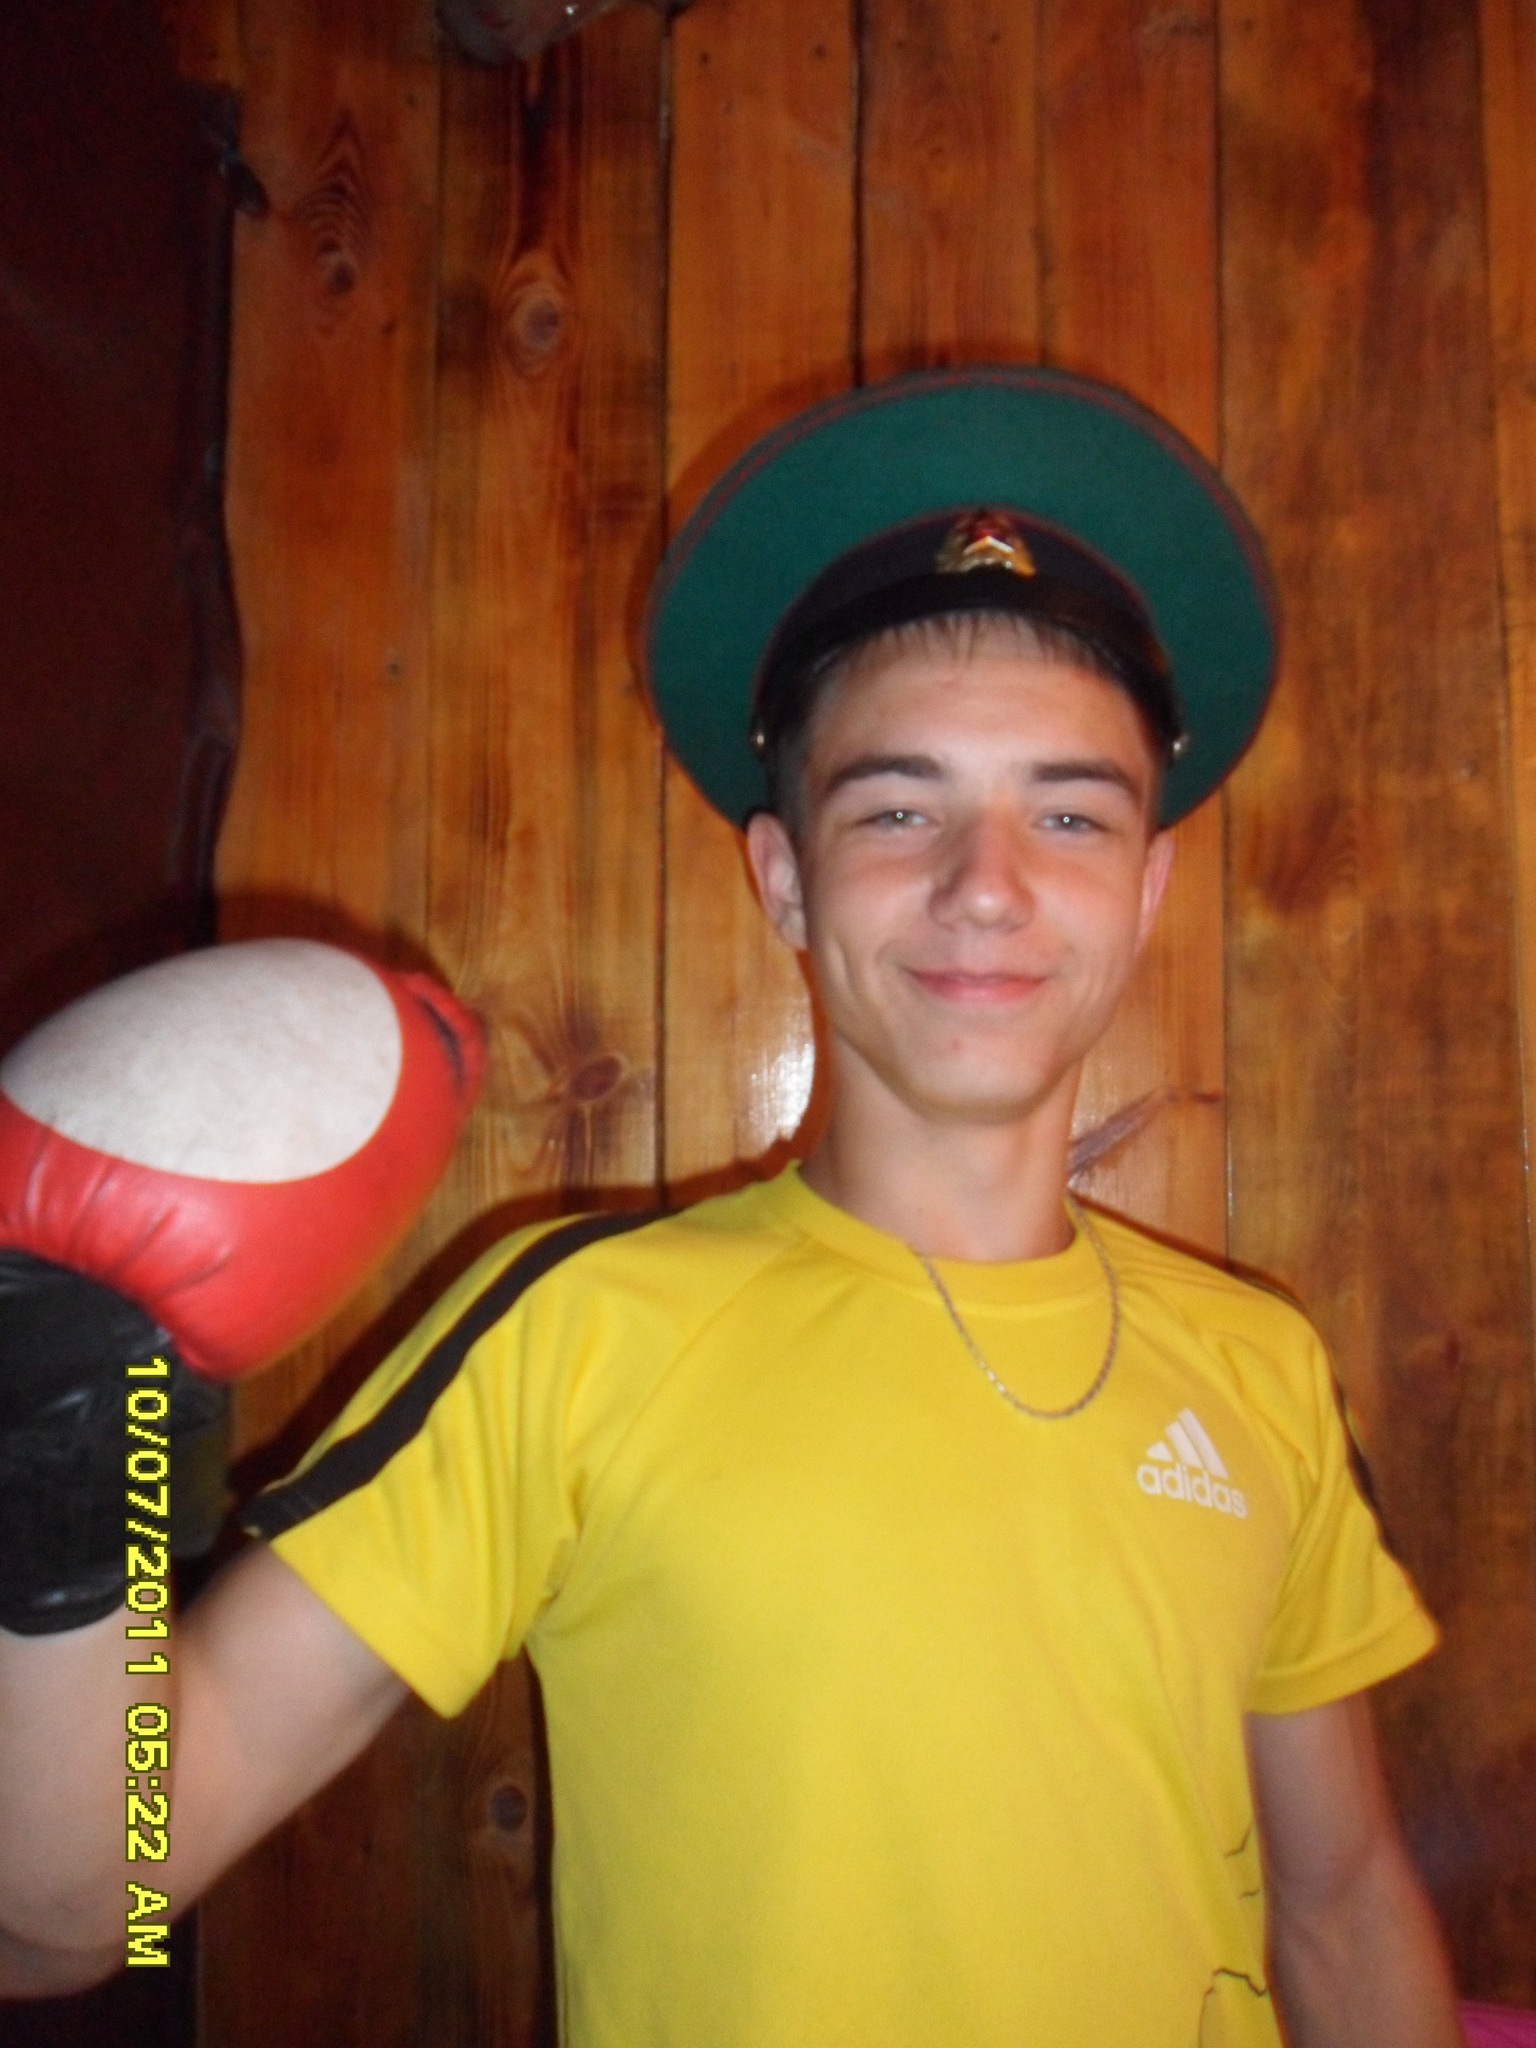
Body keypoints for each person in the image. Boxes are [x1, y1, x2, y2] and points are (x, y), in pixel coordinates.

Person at [0, 367, 1465, 2045]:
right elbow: (71, 1906)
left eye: (1068, 814)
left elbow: (1344, 1909)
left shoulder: (1263, 1368)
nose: (986, 886)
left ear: (1146, 890)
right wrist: (75, 1446)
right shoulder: (576, 1332)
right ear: (785, 877)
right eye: (899, 808)